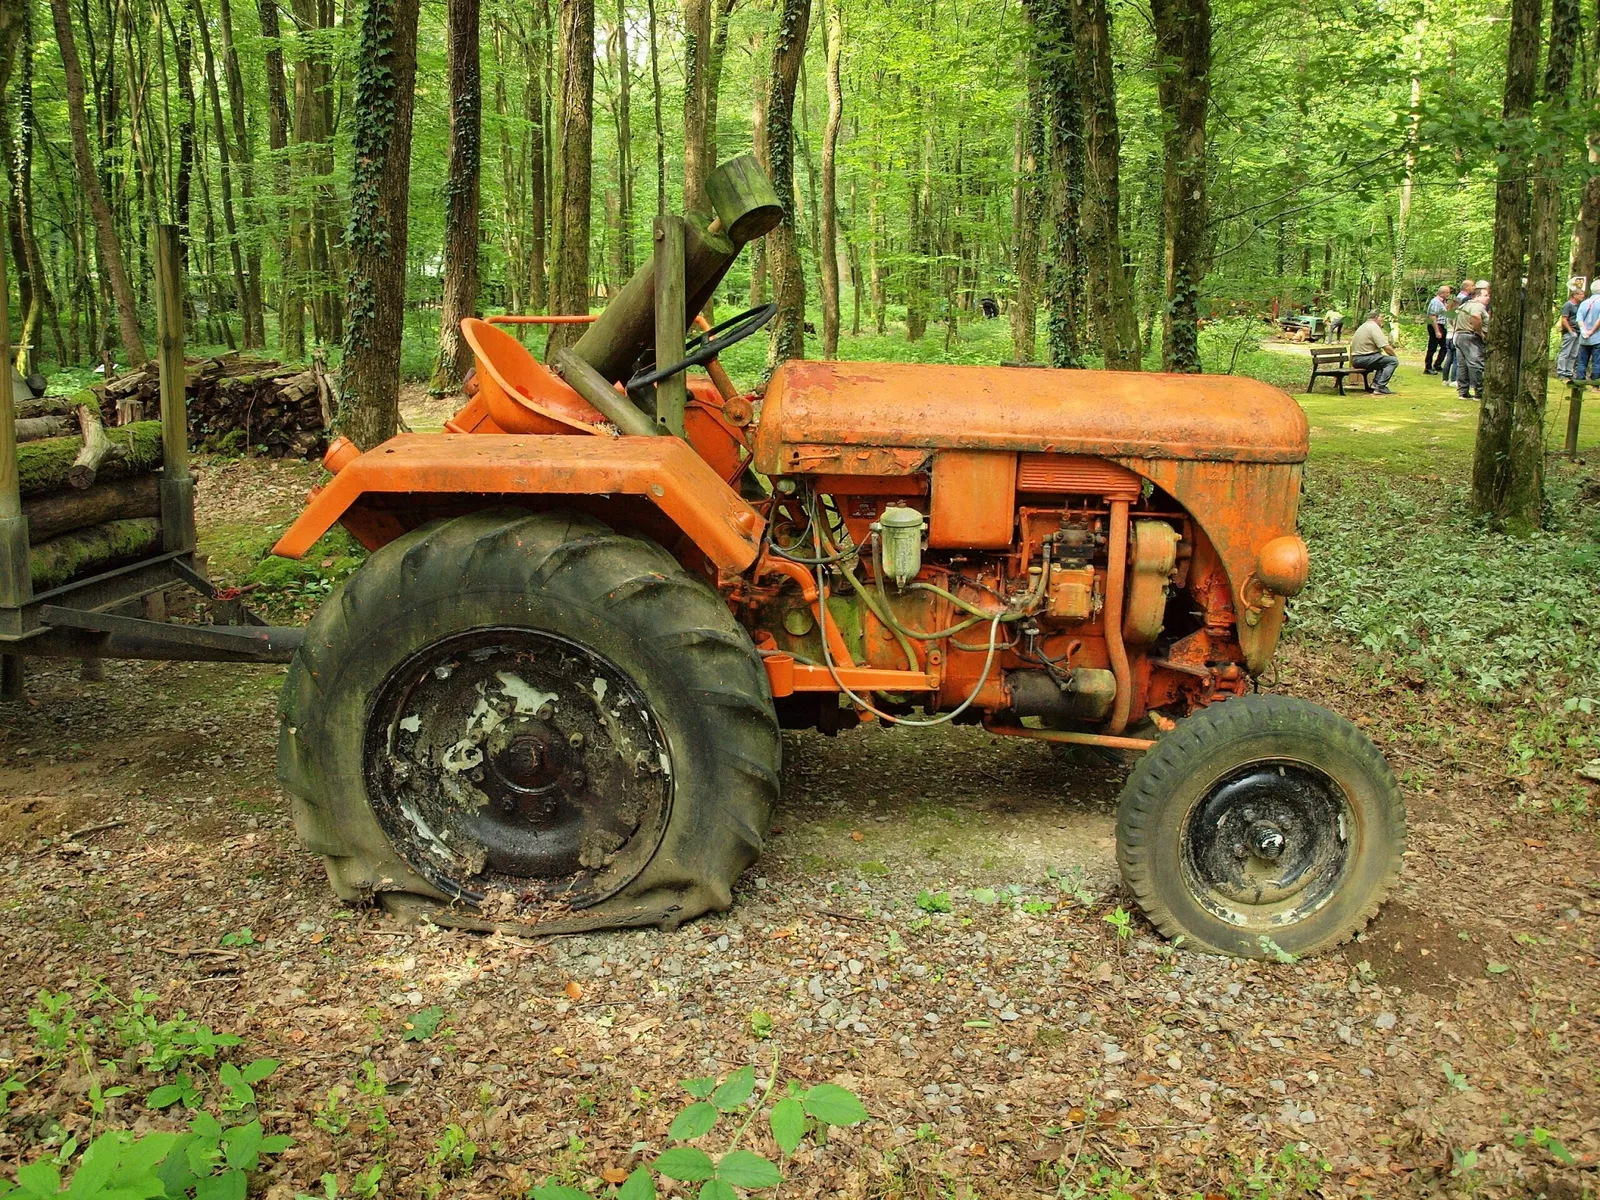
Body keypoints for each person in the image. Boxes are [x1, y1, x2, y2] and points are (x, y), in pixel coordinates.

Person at [1454, 281, 1490, 401]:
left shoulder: (1463, 305)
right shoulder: (1478, 306)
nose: (1488, 298)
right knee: (1476, 364)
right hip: (1470, 337)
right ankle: (1479, 392)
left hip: (1459, 336)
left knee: (1462, 365)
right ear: (1477, 296)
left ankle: (1463, 392)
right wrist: (1479, 332)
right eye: (1485, 295)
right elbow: (1476, 317)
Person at [1349, 309, 1399, 394]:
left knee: (1383, 361)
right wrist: (1394, 356)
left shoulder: (1364, 325)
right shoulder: (1373, 327)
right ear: (1376, 317)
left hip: (1357, 358)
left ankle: (1375, 384)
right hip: (1363, 358)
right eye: (1382, 317)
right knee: (1392, 361)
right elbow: (1385, 347)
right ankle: (1380, 387)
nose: (1383, 319)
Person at [1558, 283, 1585, 381]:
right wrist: (1570, 331)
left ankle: (1569, 372)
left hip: (1578, 332)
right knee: (1565, 352)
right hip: (1570, 332)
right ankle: (1561, 371)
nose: (1582, 296)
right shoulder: (1568, 305)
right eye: (1580, 294)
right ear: (1575, 295)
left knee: (1573, 354)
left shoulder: (1579, 306)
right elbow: (1564, 319)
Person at [1576, 280, 1600, 384]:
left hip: (1584, 338)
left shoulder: (1585, 302)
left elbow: (1579, 319)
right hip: (1597, 337)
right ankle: (1595, 384)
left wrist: (1584, 331)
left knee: (1581, 362)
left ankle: (1580, 383)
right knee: (1597, 362)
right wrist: (1592, 332)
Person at [1424, 285, 1451, 374]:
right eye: (1447, 292)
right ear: (1442, 293)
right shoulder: (1436, 302)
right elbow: (1433, 317)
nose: (1448, 294)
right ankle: (1428, 367)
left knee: (1444, 347)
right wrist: (1437, 330)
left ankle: (1437, 364)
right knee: (1432, 347)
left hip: (1442, 325)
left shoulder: (1442, 302)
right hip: (1436, 325)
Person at [1439, 295, 1459, 387]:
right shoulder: (1456, 313)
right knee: (1455, 360)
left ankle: (1445, 379)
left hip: (1448, 337)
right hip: (1454, 337)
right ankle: (1454, 379)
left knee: (1448, 359)